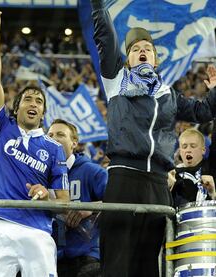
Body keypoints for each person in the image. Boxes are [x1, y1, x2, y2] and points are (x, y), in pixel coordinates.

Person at [90, 0, 216, 276]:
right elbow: (105, 36)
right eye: (135, 49)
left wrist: (215, 90)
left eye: (147, 48)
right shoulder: (115, 80)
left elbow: (203, 110)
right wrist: (98, 6)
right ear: (128, 59)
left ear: (156, 59)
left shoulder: (167, 93)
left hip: (158, 183)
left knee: (149, 264)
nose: (142, 51)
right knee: (117, 261)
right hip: (124, 177)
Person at [0, 9, 69, 277]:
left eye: (39, 102)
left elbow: (64, 202)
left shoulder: (54, 149)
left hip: (38, 231)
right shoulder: (0, 127)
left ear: (43, 113)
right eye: (28, 99)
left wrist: (47, 194)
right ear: (16, 108)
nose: (33, 103)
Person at [47, 119, 107, 277]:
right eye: (50, 135)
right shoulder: (40, 176)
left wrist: (89, 208)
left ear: (74, 143)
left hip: (86, 258)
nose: (54, 138)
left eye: (60, 134)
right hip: (49, 258)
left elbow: (120, 199)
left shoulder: (91, 171)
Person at [170, 128, 216, 206]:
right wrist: (168, 187)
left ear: (203, 150)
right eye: (184, 147)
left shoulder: (211, 167)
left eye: (193, 146)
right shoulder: (173, 174)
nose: (188, 150)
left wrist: (213, 193)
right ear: (180, 152)